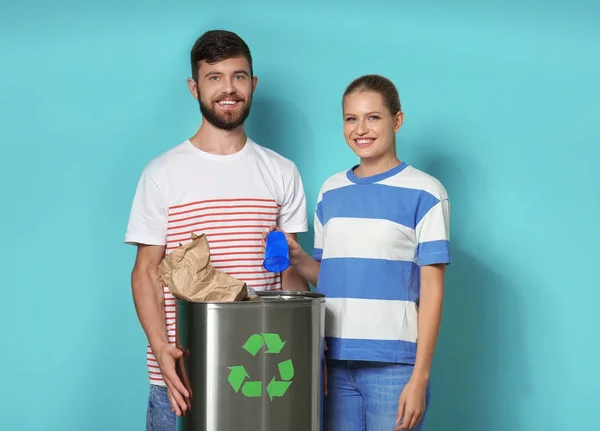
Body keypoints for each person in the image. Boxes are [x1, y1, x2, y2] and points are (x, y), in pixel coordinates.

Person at [124, 29, 309, 431]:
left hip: (262, 375)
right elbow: (145, 272)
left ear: (253, 84)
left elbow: (290, 274)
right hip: (182, 377)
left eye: (239, 76)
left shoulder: (281, 172)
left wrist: (309, 355)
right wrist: (159, 349)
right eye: (215, 77)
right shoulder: (162, 174)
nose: (229, 88)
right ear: (194, 87)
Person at [265, 74, 452, 430]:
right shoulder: (330, 191)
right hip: (333, 363)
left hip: (394, 367)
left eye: (373, 117)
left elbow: (433, 291)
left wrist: (420, 377)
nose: (360, 129)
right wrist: (297, 258)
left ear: (396, 120)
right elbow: (331, 278)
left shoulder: (425, 192)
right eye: (351, 118)